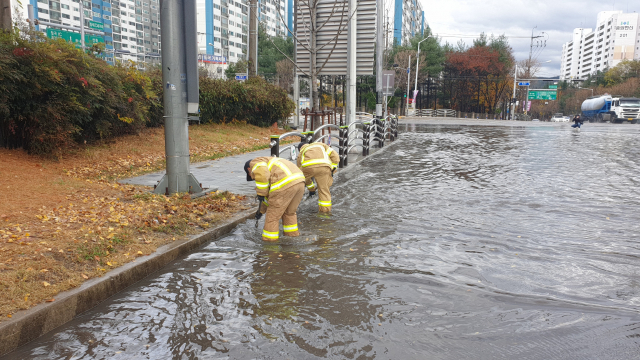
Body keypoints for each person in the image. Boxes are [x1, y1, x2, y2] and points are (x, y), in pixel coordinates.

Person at [244, 157, 305, 241]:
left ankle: (270, 244)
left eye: (251, 175)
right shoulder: (272, 165)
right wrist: (261, 212)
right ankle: (291, 238)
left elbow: (262, 176)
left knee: (272, 218)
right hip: (300, 182)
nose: (254, 178)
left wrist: (261, 193)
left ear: (249, 169)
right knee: (289, 213)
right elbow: (269, 198)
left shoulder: (255, 162)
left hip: (284, 183)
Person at [296, 142, 340, 213]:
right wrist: (333, 169)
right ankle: (325, 213)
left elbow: (299, 170)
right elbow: (335, 156)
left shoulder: (302, 151)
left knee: (304, 178)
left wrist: (311, 189)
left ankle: (311, 191)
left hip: (308, 168)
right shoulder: (320, 144)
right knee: (324, 190)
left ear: (299, 148)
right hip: (324, 167)